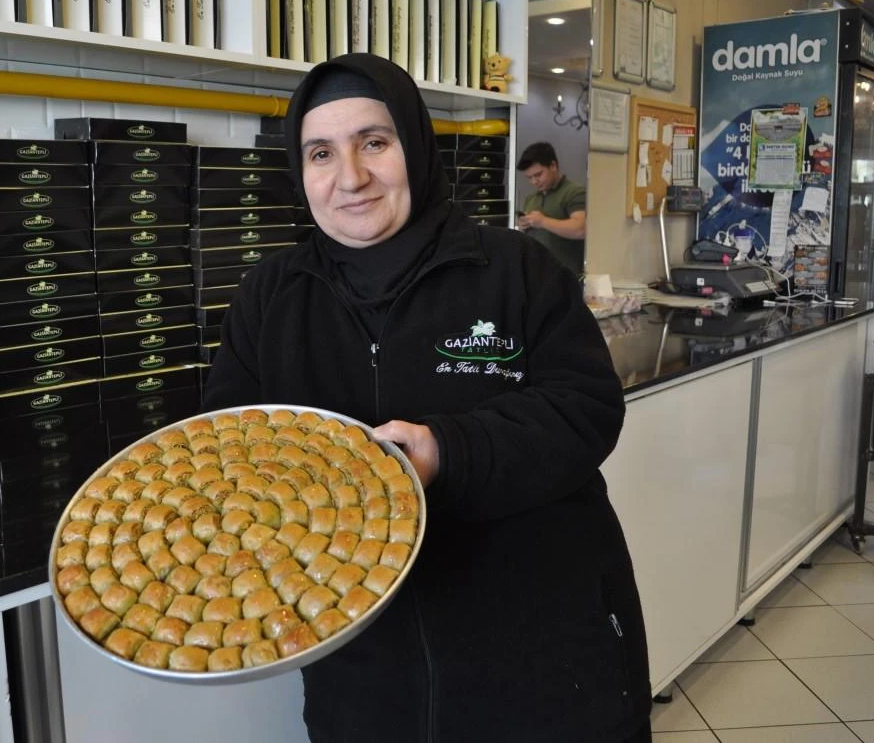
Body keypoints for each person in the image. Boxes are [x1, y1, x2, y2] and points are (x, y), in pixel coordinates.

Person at [202, 53, 651, 742]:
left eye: (373, 142)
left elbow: (585, 407)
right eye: (322, 152)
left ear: (412, 144)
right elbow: (230, 446)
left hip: (542, 659)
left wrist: (449, 450)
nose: (350, 177)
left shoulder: (513, 270)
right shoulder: (272, 295)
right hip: (366, 682)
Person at [515, 141, 587, 274]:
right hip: (536, 275)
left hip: (565, 277)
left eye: (538, 175)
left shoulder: (574, 192)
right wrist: (523, 225)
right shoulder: (531, 199)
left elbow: (581, 229)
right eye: (529, 177)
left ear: (553, 165)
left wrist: (542, 221)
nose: (534, 181)